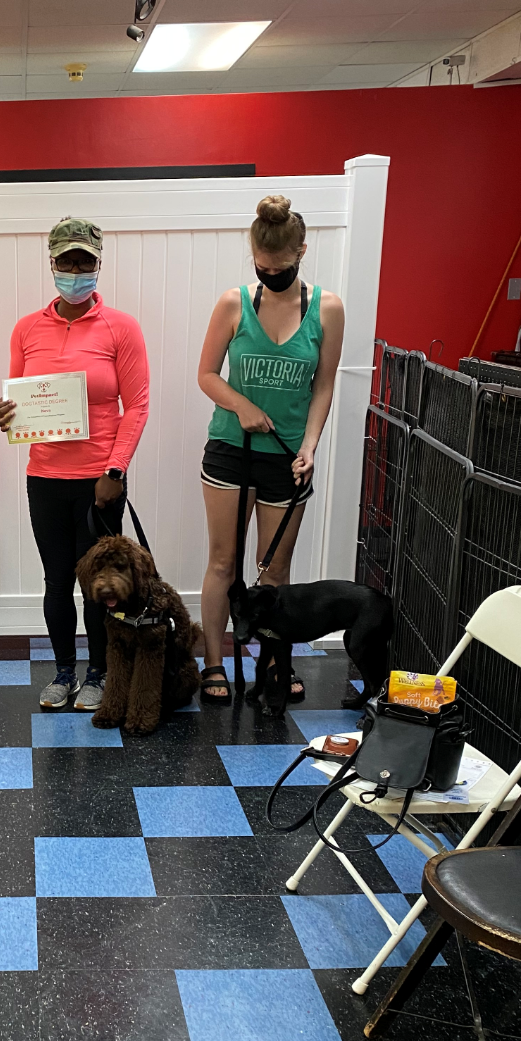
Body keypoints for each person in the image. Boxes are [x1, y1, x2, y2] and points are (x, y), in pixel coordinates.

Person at [0, 217, 149, 712]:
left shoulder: (121, 327)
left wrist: (114, 472)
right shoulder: (26, 328)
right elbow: (17, 399)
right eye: (66, 261)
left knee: (101, 586)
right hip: (44, 478)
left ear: (99, 264)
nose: (75, 270)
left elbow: (137, 404)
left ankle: (100, 675)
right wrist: (5, 416)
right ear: (52, 263)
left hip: (100, 482)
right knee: (57, 580)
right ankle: (63, 672)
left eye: (85, 261)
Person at [196, 194, 345, 705]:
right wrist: (240, 405)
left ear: (302, 251)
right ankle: (213, 663)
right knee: (223, 563)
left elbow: (323, 386)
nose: (271, 275)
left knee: (274, 570)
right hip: (231, 448)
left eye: (280, 268)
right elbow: (207, 375)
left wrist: (309, 445)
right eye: (262, 267)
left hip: (287, 456)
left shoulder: (327, 308)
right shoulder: (235, 303)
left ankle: (275, 662)